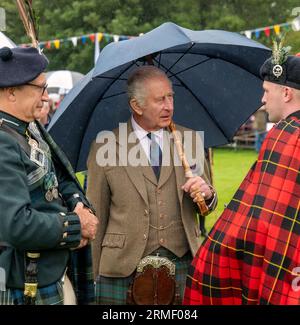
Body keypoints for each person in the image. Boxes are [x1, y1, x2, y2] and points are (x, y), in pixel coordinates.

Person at [87, 65, 217, 305]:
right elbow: (96, 216)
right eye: (160, 99)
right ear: (137, 106)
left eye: (171, 97)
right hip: (121, 267)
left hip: (183, 263)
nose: (169, 106)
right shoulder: (105, 146)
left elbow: (207, 207)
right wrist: (92, 277)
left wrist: (207, 194)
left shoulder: (190, 142)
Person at [184, 49, 300, 305]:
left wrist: (219, 248)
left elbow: (261, 218)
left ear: (287, 93)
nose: (262, 99)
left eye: (266, 91)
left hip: (284, 265)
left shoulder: (284, 136)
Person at [0, 46, 98, 305]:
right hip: (22, 278)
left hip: (47, 270)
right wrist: (77, 226)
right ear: (11, 92)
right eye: (40, 88)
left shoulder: (28, 129)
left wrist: (77, 202)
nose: (46, 97)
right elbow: (17, 225)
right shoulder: (3, 141)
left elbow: (58, 178)